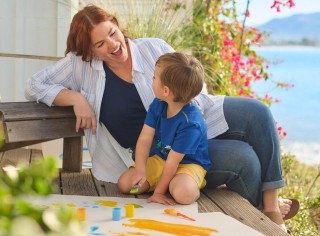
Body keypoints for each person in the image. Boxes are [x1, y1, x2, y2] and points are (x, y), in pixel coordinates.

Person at [24, 4, 298, 231]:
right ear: (89, 50)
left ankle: (271, 209)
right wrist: (76, 99)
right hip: (157, 156)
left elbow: (190, 84)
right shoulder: (80, 66)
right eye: (100, 43)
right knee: (244, 158)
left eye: (113, 33)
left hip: (193, 120)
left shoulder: (152, 48)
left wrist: (193, 121)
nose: (113, 44)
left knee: (258, 112)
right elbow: (34, 85)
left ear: (118, 26)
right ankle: (259, 219)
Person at [117, 52, 211, 205]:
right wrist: (140, 170)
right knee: (126, 184)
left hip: (187, 165)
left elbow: (173, 162)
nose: (152, 80)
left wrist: (158, 193)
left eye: (154, 78)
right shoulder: (158, 105)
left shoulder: (191, 123)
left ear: (166, 91)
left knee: (183, 194)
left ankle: (175, 185)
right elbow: (145, 139)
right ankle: (166, 183)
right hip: (161, 159)